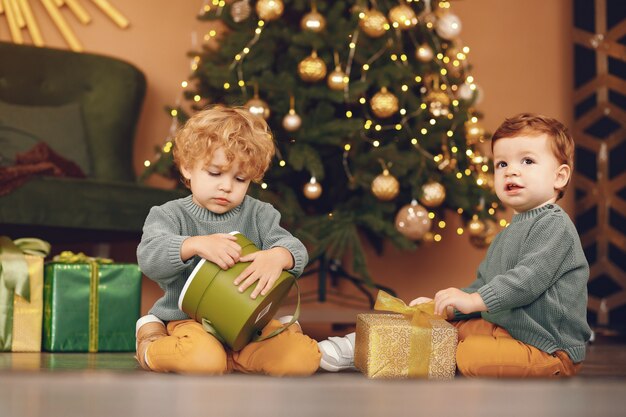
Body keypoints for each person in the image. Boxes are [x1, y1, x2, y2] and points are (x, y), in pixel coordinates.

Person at [318, 113, 592, 377]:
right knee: (443, 326)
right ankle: (366, 347)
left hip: (547, 347)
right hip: (507, 332)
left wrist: (474, 301)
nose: (512, 172)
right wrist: (450, 306)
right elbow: (483, 284)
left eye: (528, 161)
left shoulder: (555, 226)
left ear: (559, 177)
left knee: (470, 354)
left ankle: (404, 352)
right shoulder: (508, 233)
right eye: (502, 164)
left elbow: (526, 282)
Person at [136, 105, 320, 376]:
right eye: (214, 173)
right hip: (189, 323)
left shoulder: (260, 214)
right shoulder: (169, 215)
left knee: (303, 359)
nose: (226, 186)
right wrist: (194, 245)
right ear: (187, 168)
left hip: (248, 326)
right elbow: (149, 257)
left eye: (240, 178)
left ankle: (231, 358)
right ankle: (150, 342)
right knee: (201, 360)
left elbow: (296, 250)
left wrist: (279, 256)